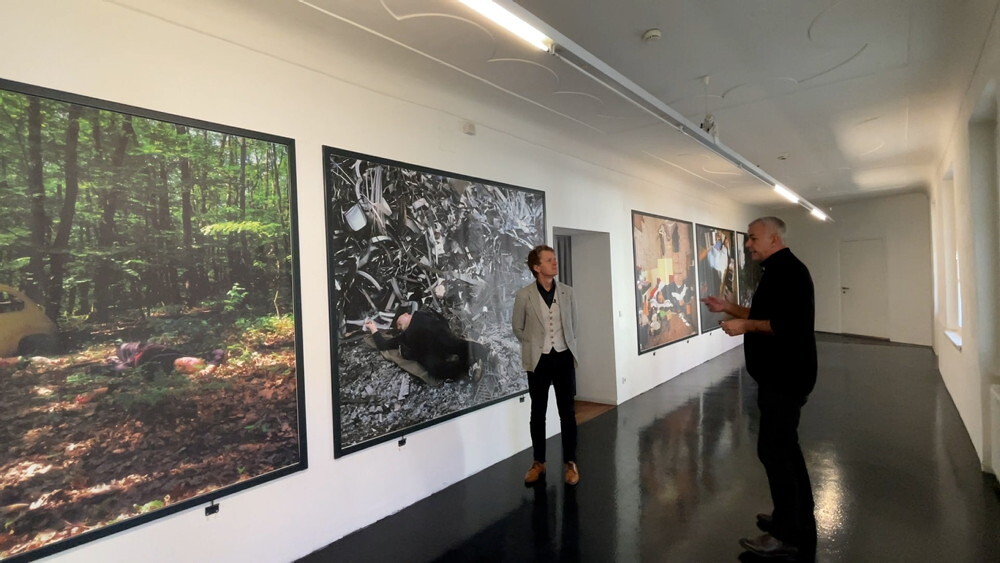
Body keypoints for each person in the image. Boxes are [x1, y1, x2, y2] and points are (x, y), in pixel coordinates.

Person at [701, 217, 818, 559]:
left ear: (773, 238)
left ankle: (786, 535)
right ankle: (794, 516)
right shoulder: (777, 271)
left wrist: (745, 326)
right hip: (779, 377)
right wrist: (728, 308)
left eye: (753, 238)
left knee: (774, 452)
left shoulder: (791, 272)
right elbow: (762, 313)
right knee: (785, 449)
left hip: (786, 377)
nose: (748, 244)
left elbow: (789, 325)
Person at [512, 245, 580, 486]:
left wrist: (562, 343)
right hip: (539, 360)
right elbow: (518, 328)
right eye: (549, 260)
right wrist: (535, 344)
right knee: (537, 412)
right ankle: (538, 462)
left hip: (563, 357)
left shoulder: (568, 293)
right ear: (536, 267)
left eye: (554, 259)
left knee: (567, 412)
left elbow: (573, 325)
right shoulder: (524, 295)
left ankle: (570, 462)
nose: (555, 262)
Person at [364, 308, 487, 383]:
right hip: (429, 351)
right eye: (398, 328)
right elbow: (383, 345)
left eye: (399, 323)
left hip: (439, 335)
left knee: (452, 344)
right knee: (435, 369)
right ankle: (468, 368)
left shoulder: (422, 314)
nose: (399, 327)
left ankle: (480, 353)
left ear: (406, 314)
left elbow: (443, 321)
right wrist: (373, 328)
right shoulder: (404, 336)